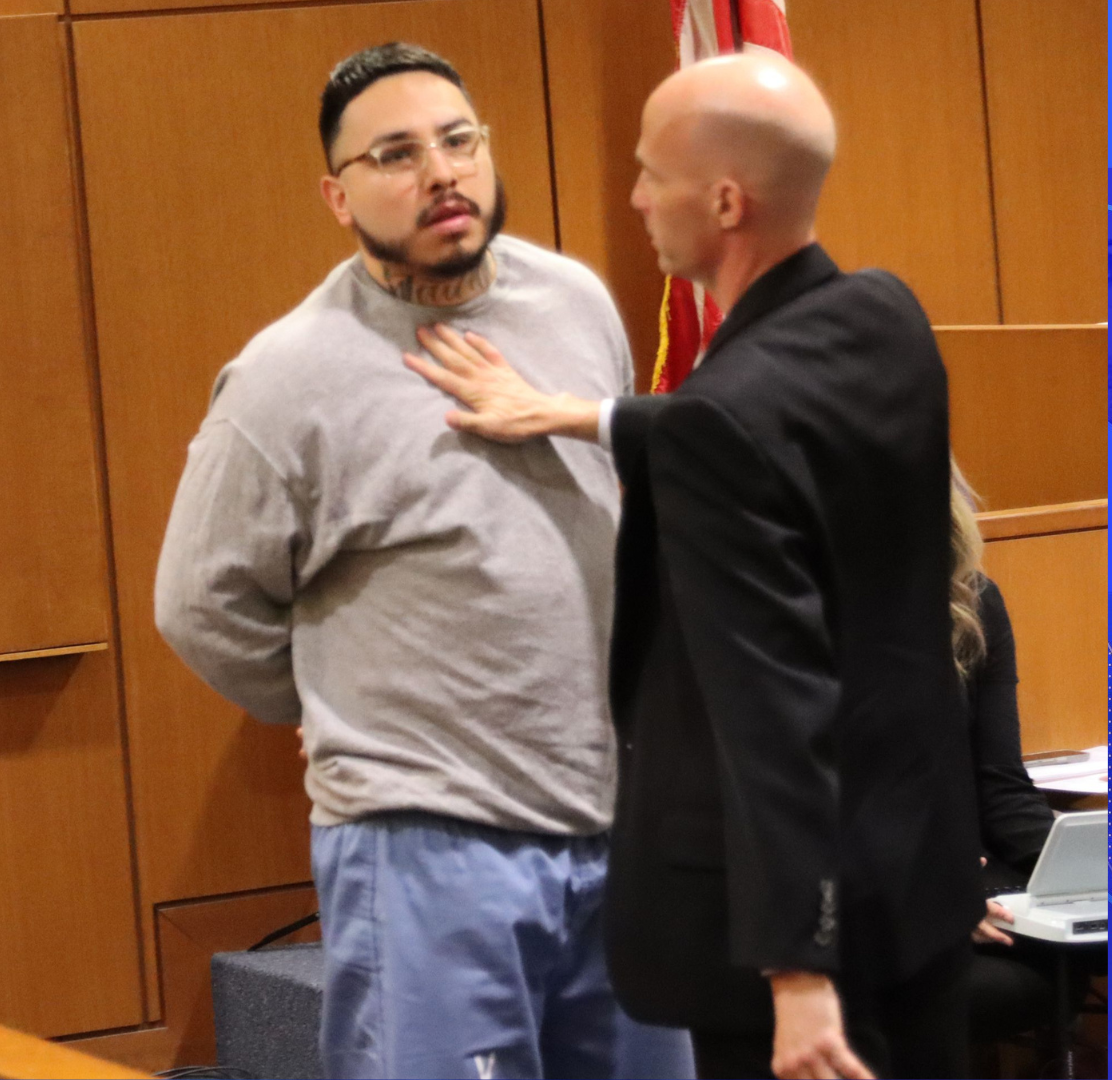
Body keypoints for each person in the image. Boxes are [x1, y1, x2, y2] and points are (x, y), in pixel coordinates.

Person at [402, 52, 984, 1079]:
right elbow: (768, 426)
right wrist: (591, 414)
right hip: (919, 893)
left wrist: (797, 979)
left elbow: (773, 707)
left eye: (648, 173)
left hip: (799, 959)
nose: (633, 198)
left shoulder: (725, 424)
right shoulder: (883, 317)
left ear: (724, 200)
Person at [153, 42, 692, 1080]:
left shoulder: (576, 301)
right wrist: (324, 701)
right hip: (427, 844)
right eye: (395, 155)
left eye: (458, 140)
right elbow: (198, 603)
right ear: (338, 197)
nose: (441, 172)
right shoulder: (286, 377)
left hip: (615, 824)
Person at [948, 466, 1093, 1051]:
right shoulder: (813, 607)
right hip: (860, 882)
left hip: (974, 868)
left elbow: (1002, 787)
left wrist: (1091, 873)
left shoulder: (974, 602)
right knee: (1003, 980)